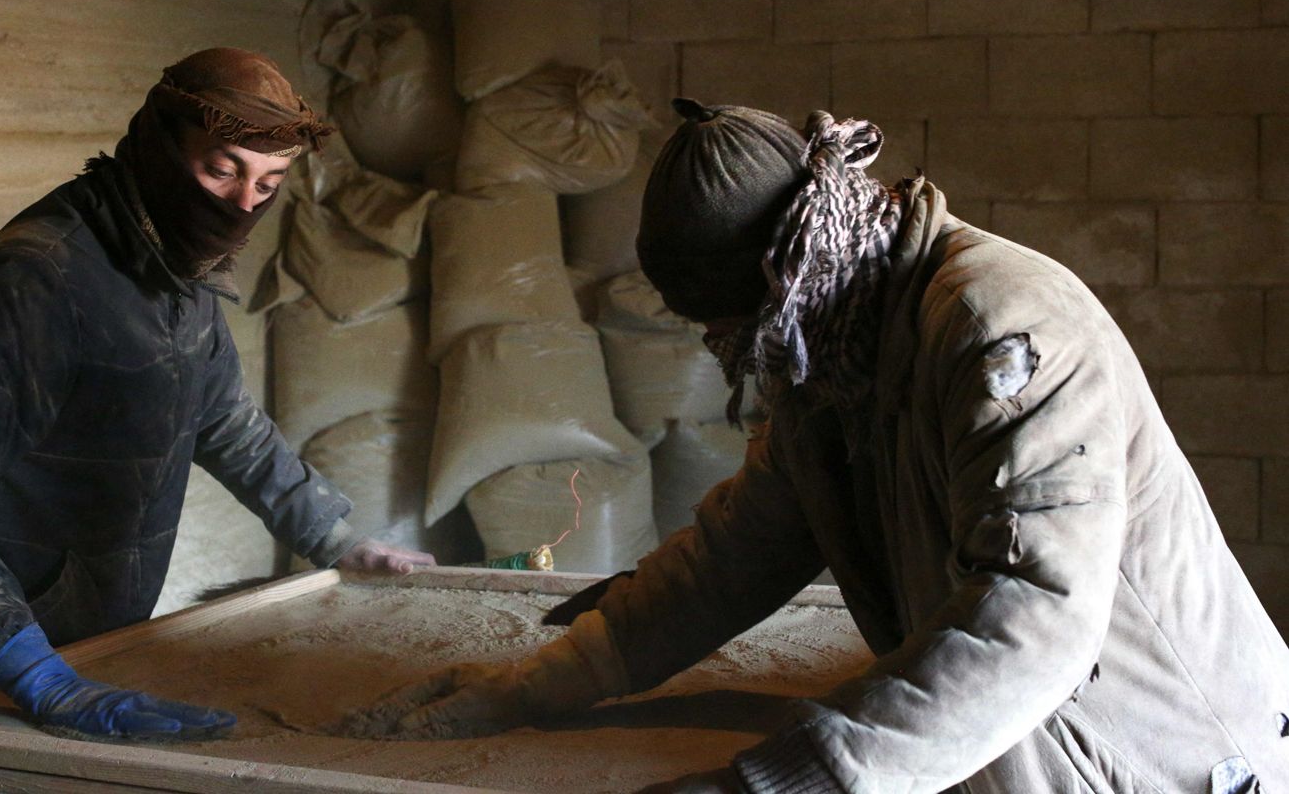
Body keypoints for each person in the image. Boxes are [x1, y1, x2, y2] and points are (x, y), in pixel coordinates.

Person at [349, 101, 1289, 793]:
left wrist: (782, 782)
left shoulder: (1001, 330)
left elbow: (1036, 615)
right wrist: (541, 685)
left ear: (790, 282)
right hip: (1015, 747)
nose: (728, 354)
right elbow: (739, 551)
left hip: (1164, 757)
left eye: (735, 331)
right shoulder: (836, 346)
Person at [0, 47, 433, 740]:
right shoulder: (39, 279)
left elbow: (222, 419)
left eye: (269, 183)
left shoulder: (175, 256)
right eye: (222, 171)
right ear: (161, 148)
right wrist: (34, 673)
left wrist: (336, 540)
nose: (245, 204)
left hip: (85, 650)